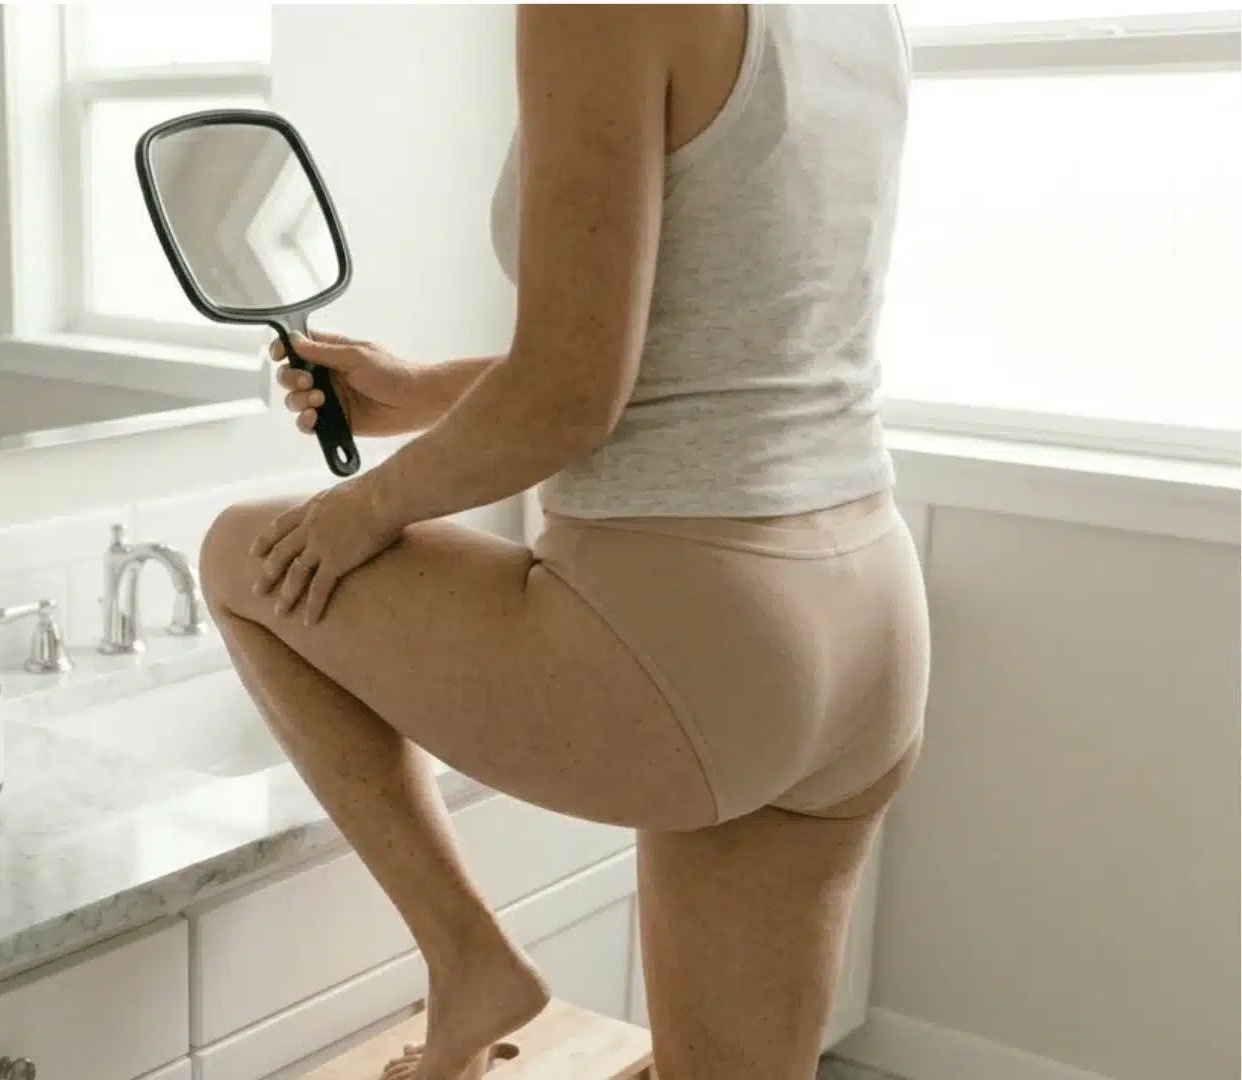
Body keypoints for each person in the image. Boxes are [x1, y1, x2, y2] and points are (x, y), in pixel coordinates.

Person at [197, 6, 925, 1079]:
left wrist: (362, 510)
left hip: (699, 626)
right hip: (867, 622)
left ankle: (466, 961)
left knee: (243, 555)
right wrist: (420, 392)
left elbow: (573, 396)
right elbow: (699, 348)